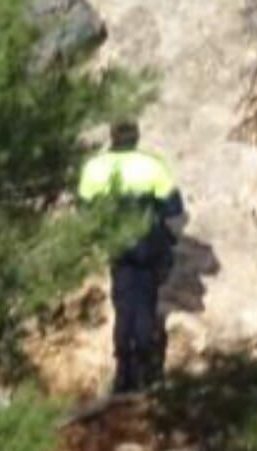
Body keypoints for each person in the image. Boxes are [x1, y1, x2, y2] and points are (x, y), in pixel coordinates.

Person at [77, 121, 185, 396]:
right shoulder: (152, 164)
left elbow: (85, 209)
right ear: (136, 137)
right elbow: (173, 207)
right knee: (145, 304)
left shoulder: (96, 167)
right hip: (148, 242)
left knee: (123, 305)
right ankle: (147, 371)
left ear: (112, 137)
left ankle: (124, 371)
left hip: (117, 245)